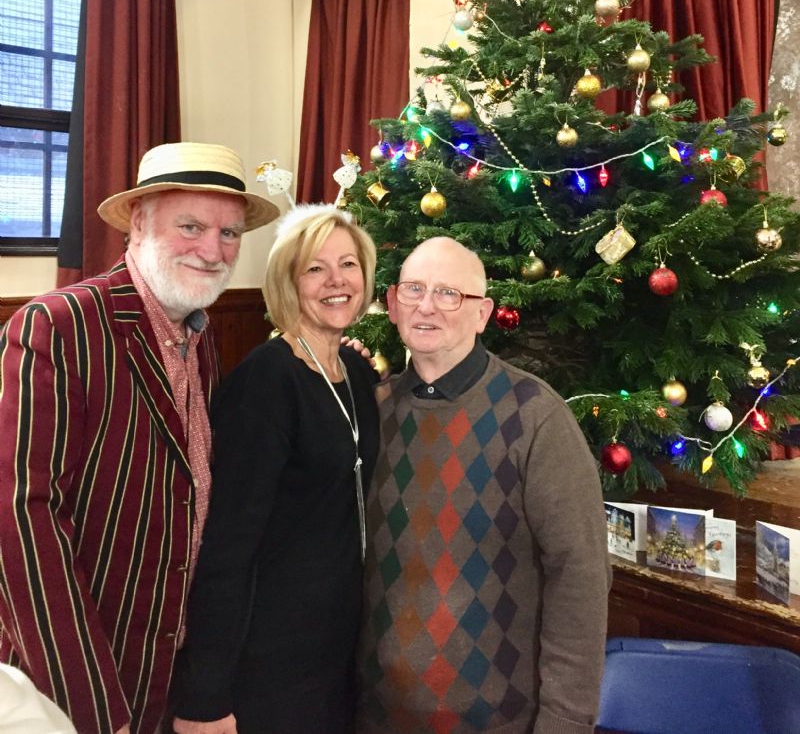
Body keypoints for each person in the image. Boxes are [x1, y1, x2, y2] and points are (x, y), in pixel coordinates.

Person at [0, 142, 278, 734]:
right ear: (139, 223)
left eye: (230, 234)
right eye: (191, 226)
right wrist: (95, 709)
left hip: (164, 676)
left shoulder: (199, 343)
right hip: (71, 688)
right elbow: (19, 519)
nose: (213, 250)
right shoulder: (59, 326)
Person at [357, 236, 610, 734]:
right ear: (391, 304)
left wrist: (566, 722)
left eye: (450, 293)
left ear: (483, 313)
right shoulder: (372, 410)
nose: (427, 306)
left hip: (497, 719)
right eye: (413, 289)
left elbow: (579, 576)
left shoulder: (536, 417)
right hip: (372, 714)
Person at [171, 205, 380, 734]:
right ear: (288, 282)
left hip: (341, 642)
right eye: (315, 269)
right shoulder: (264, 384)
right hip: (271, 653)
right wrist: (206, 695)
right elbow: (227, 546)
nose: (337, 281)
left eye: (348, 264)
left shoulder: (355, 370)